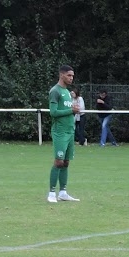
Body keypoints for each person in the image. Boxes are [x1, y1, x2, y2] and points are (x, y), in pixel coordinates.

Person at [47, 64, 78, 203]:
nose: (71, 78)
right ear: (61, 75)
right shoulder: (55, 91)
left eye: (72, 76)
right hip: (60, 132)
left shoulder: (67, 92)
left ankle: (63, 192)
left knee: (66, 162)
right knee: (58, 162)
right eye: (69, 75)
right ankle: (51, 193)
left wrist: (74, 110)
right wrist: (71, 111)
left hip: (70, 131)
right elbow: (53, 112)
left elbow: (67, 111)